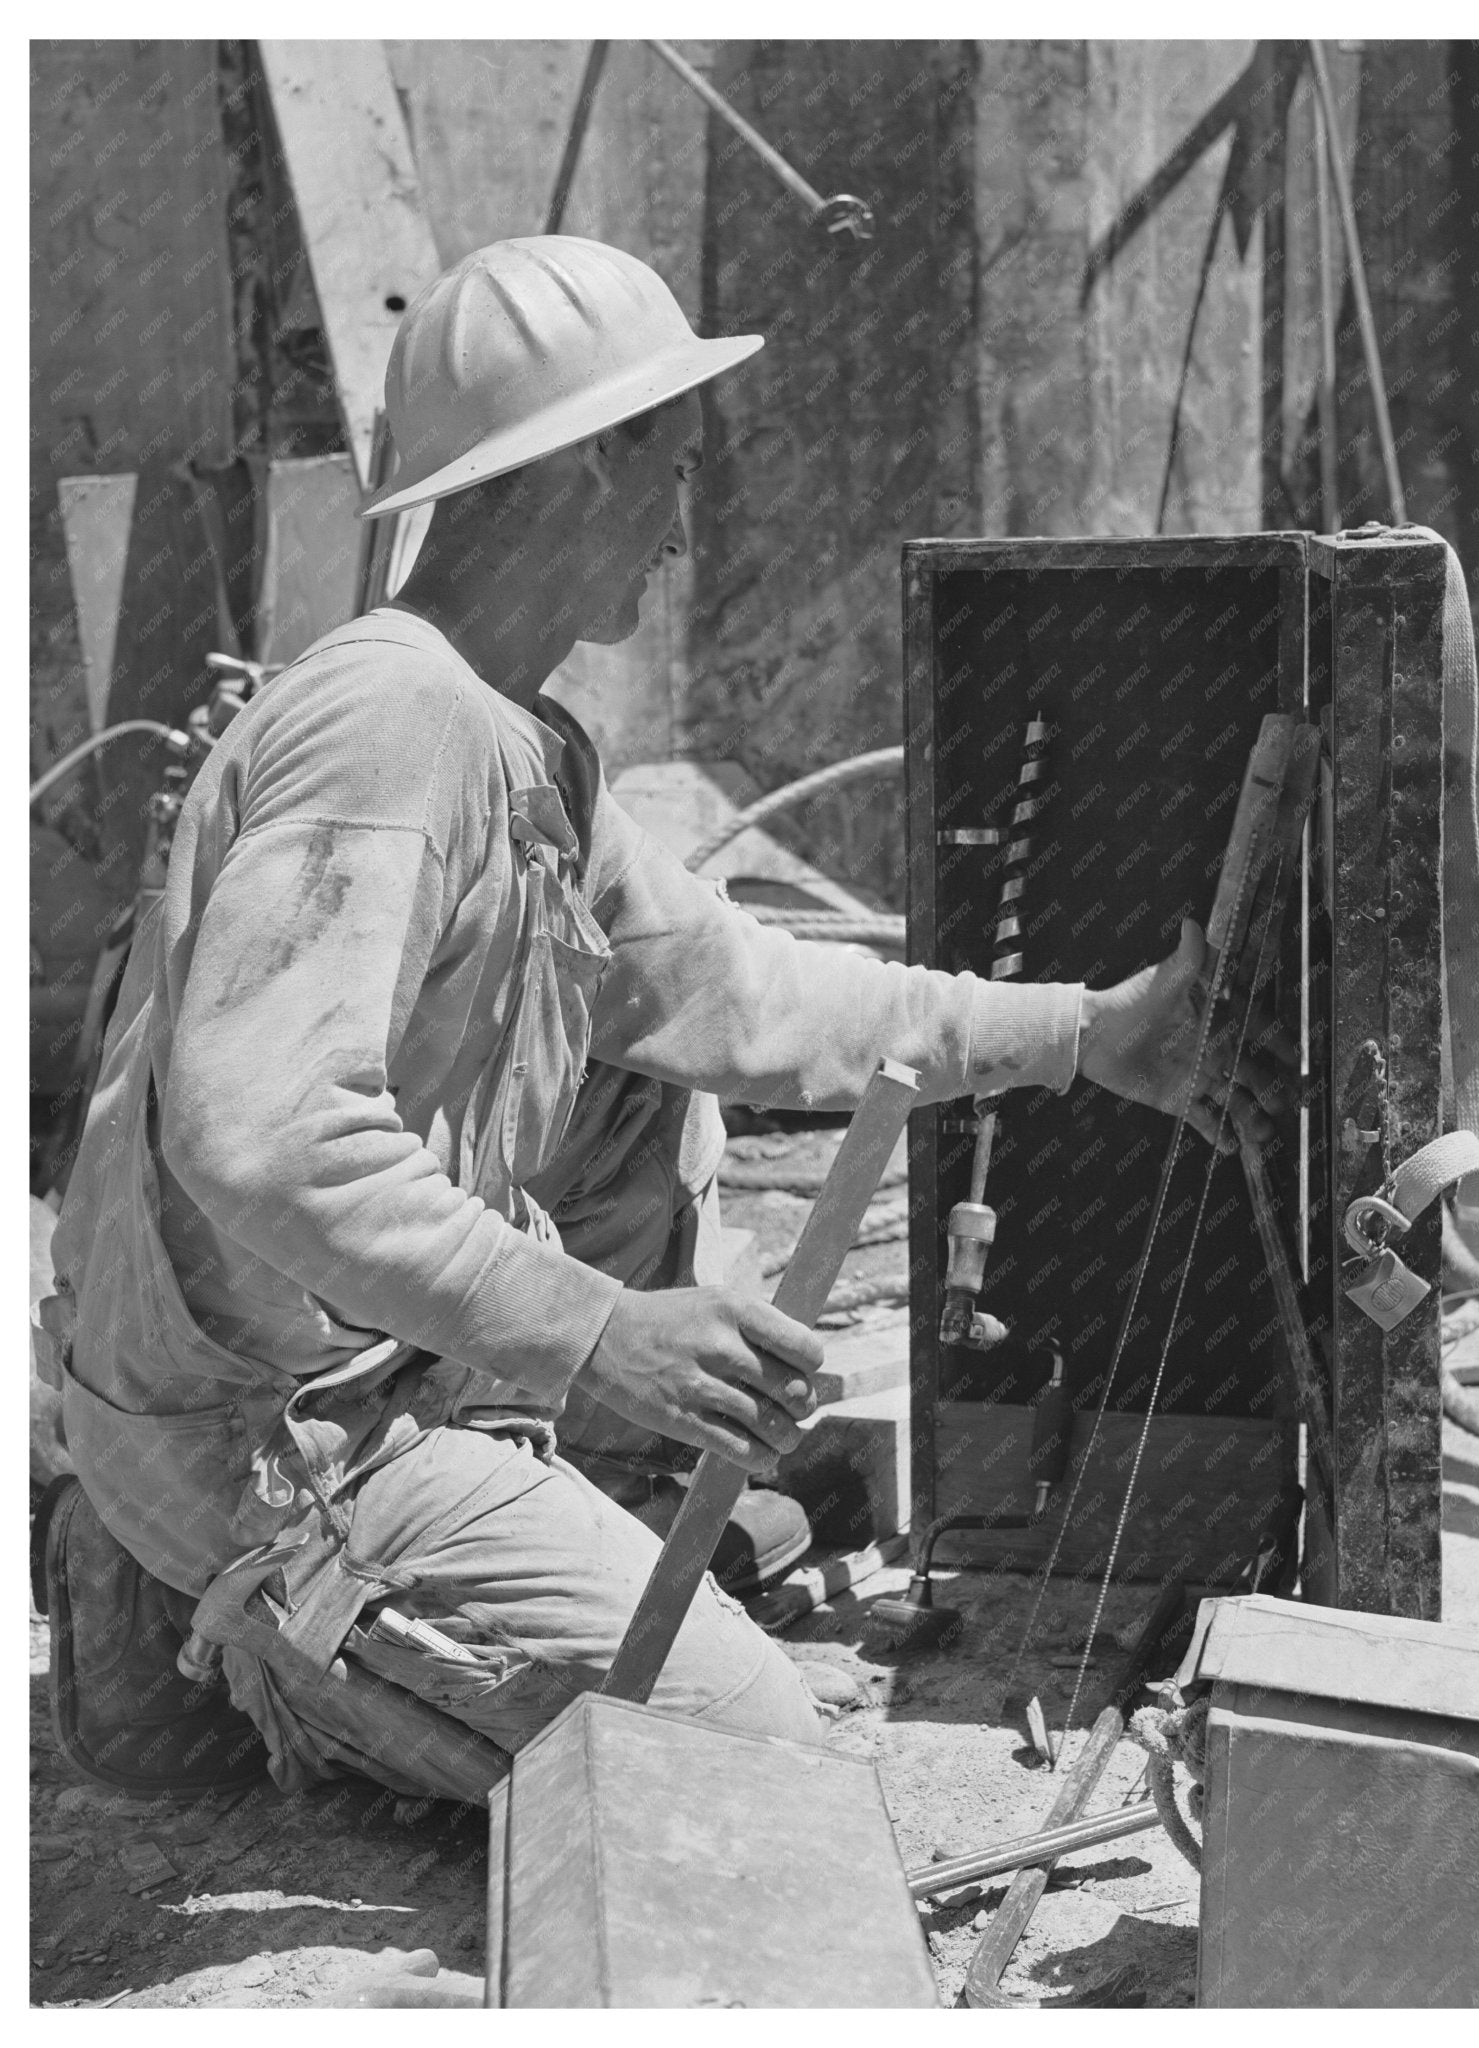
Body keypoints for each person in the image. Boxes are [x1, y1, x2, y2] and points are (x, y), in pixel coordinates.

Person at [44, 237, 1292, 1801]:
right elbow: (266, 1134)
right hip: (274, 1443)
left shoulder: (524, 745)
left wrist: (1084, 1030)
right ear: (575, 470)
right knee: (732, 1767)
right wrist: (599, 1337)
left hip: (370, 1372)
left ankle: (356, 1567)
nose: (686, 533)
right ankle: (224, 1624)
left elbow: (745, 997)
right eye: (669, 475)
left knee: (651, 1083)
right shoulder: (392, 721)